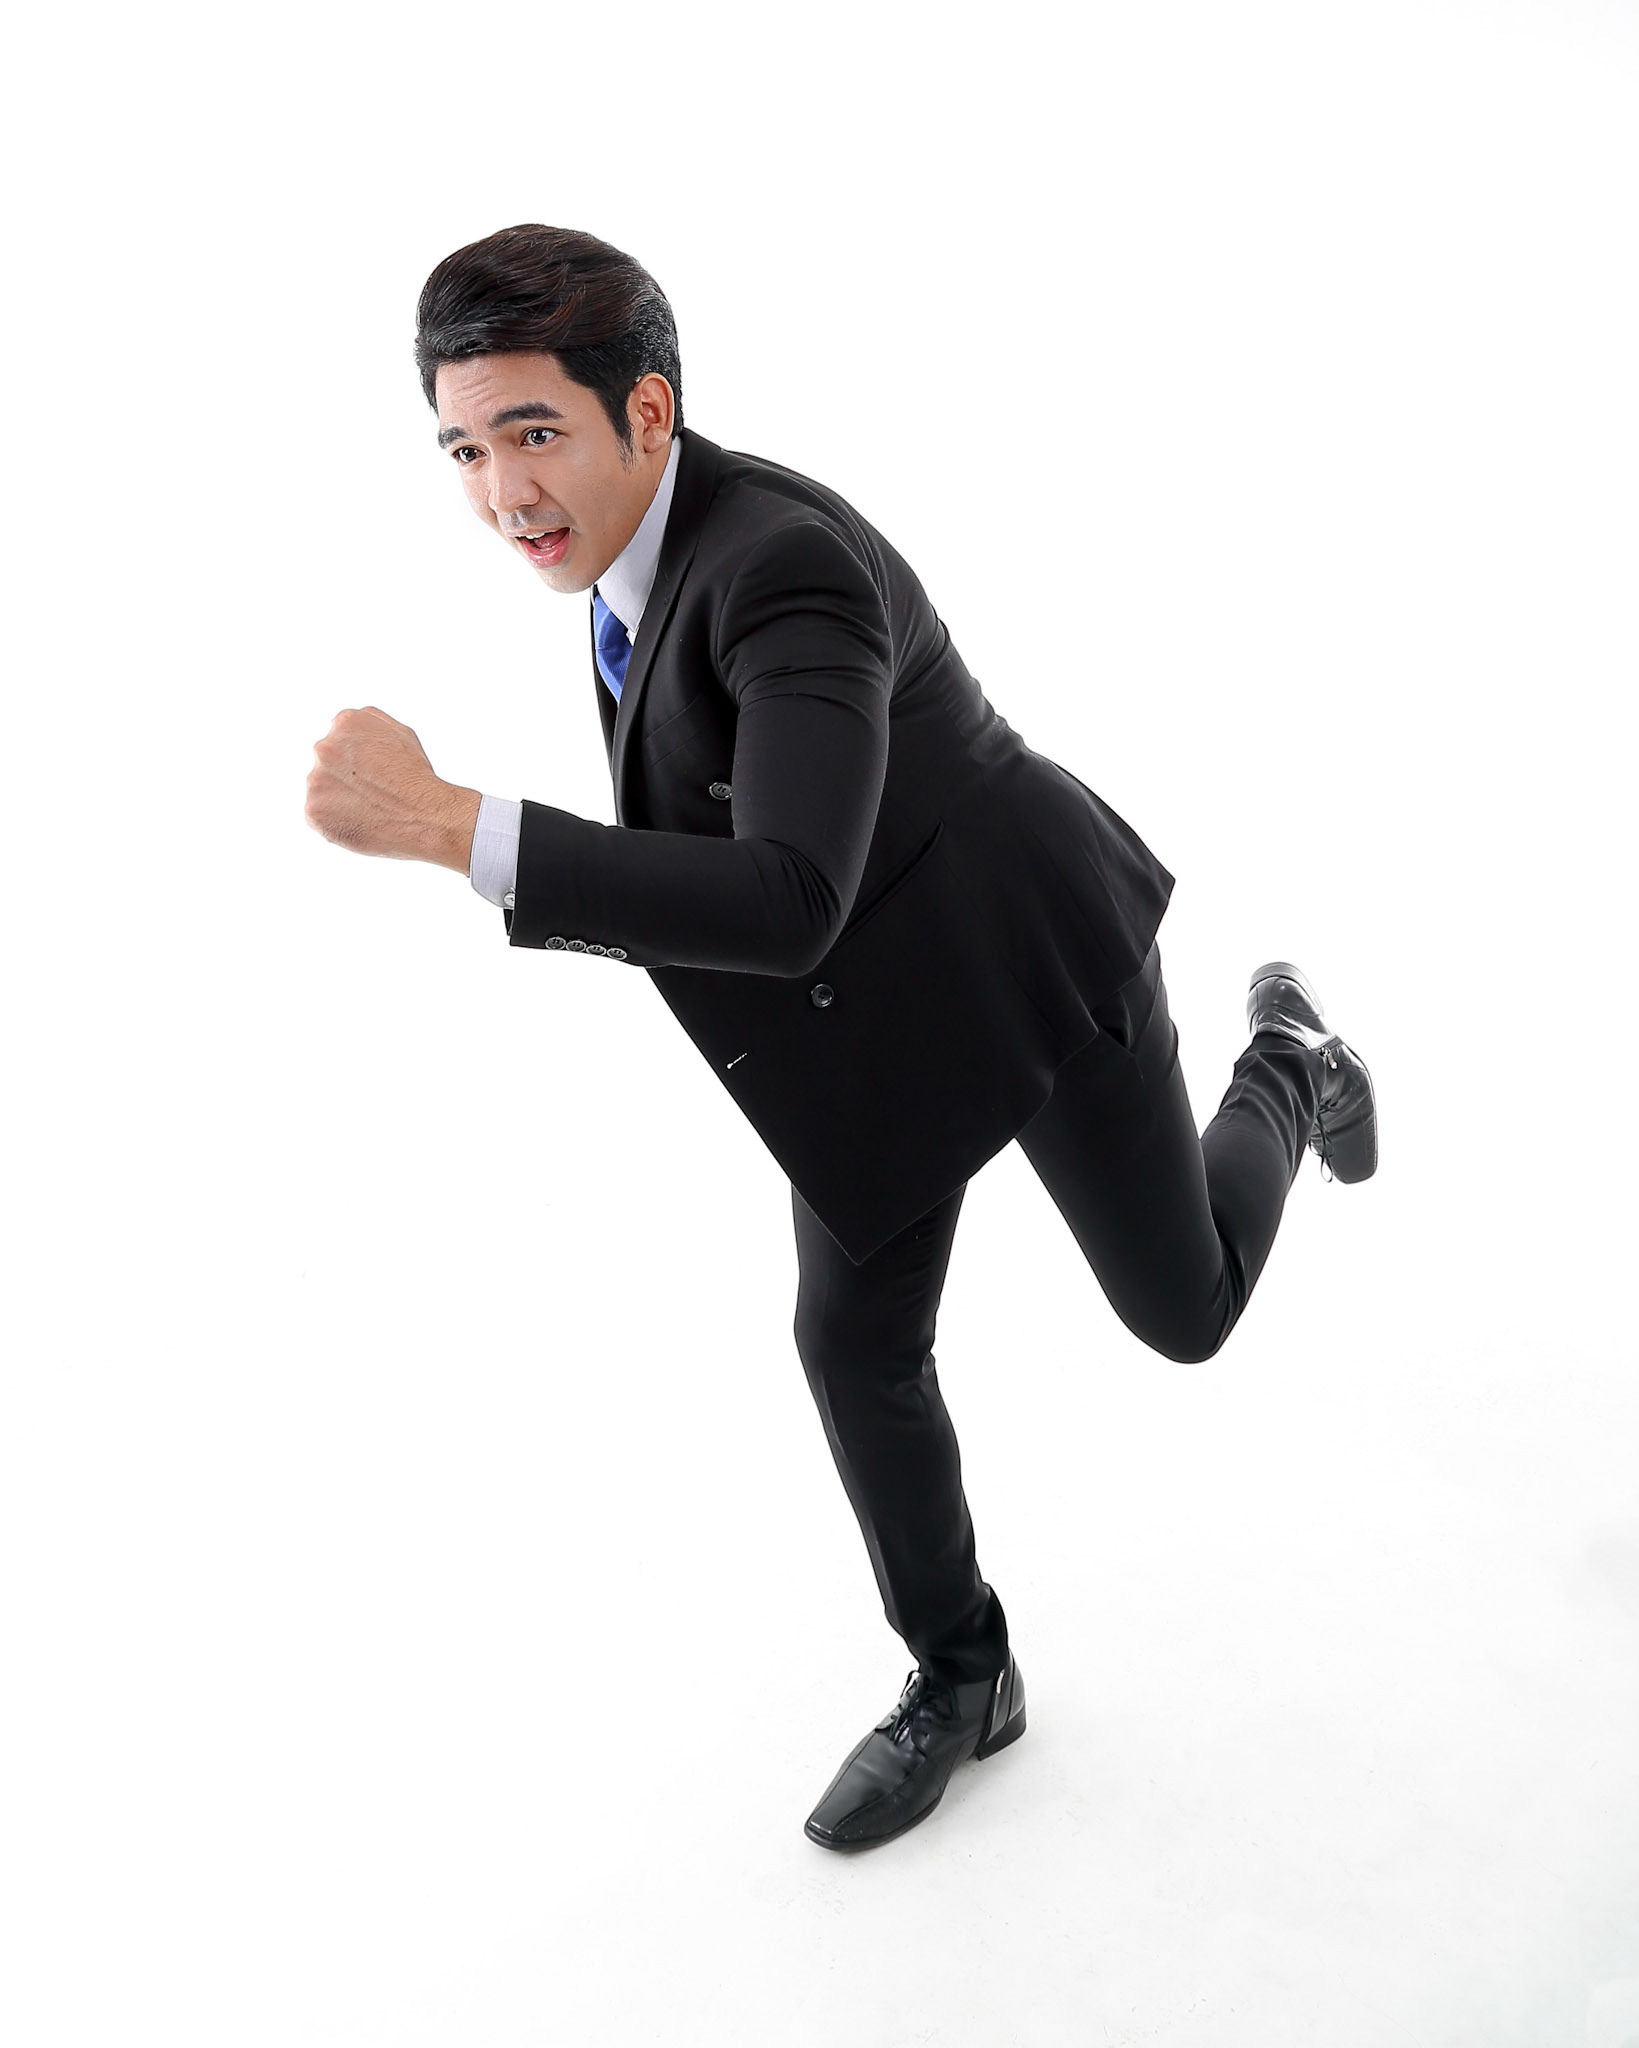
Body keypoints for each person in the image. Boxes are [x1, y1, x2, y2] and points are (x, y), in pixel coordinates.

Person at [304, 223, 1377, 1853]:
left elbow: (791, 889)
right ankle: (965, 1675)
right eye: (462, 447)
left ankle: (1288, 1059)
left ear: (644, 416)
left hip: (1020, 952)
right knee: (851, 1344)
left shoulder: (778, 568)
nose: (501, 492)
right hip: (869, 1019)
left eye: (534, 435)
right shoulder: (631, 559)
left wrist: (465, 826)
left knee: (1187, 1309)